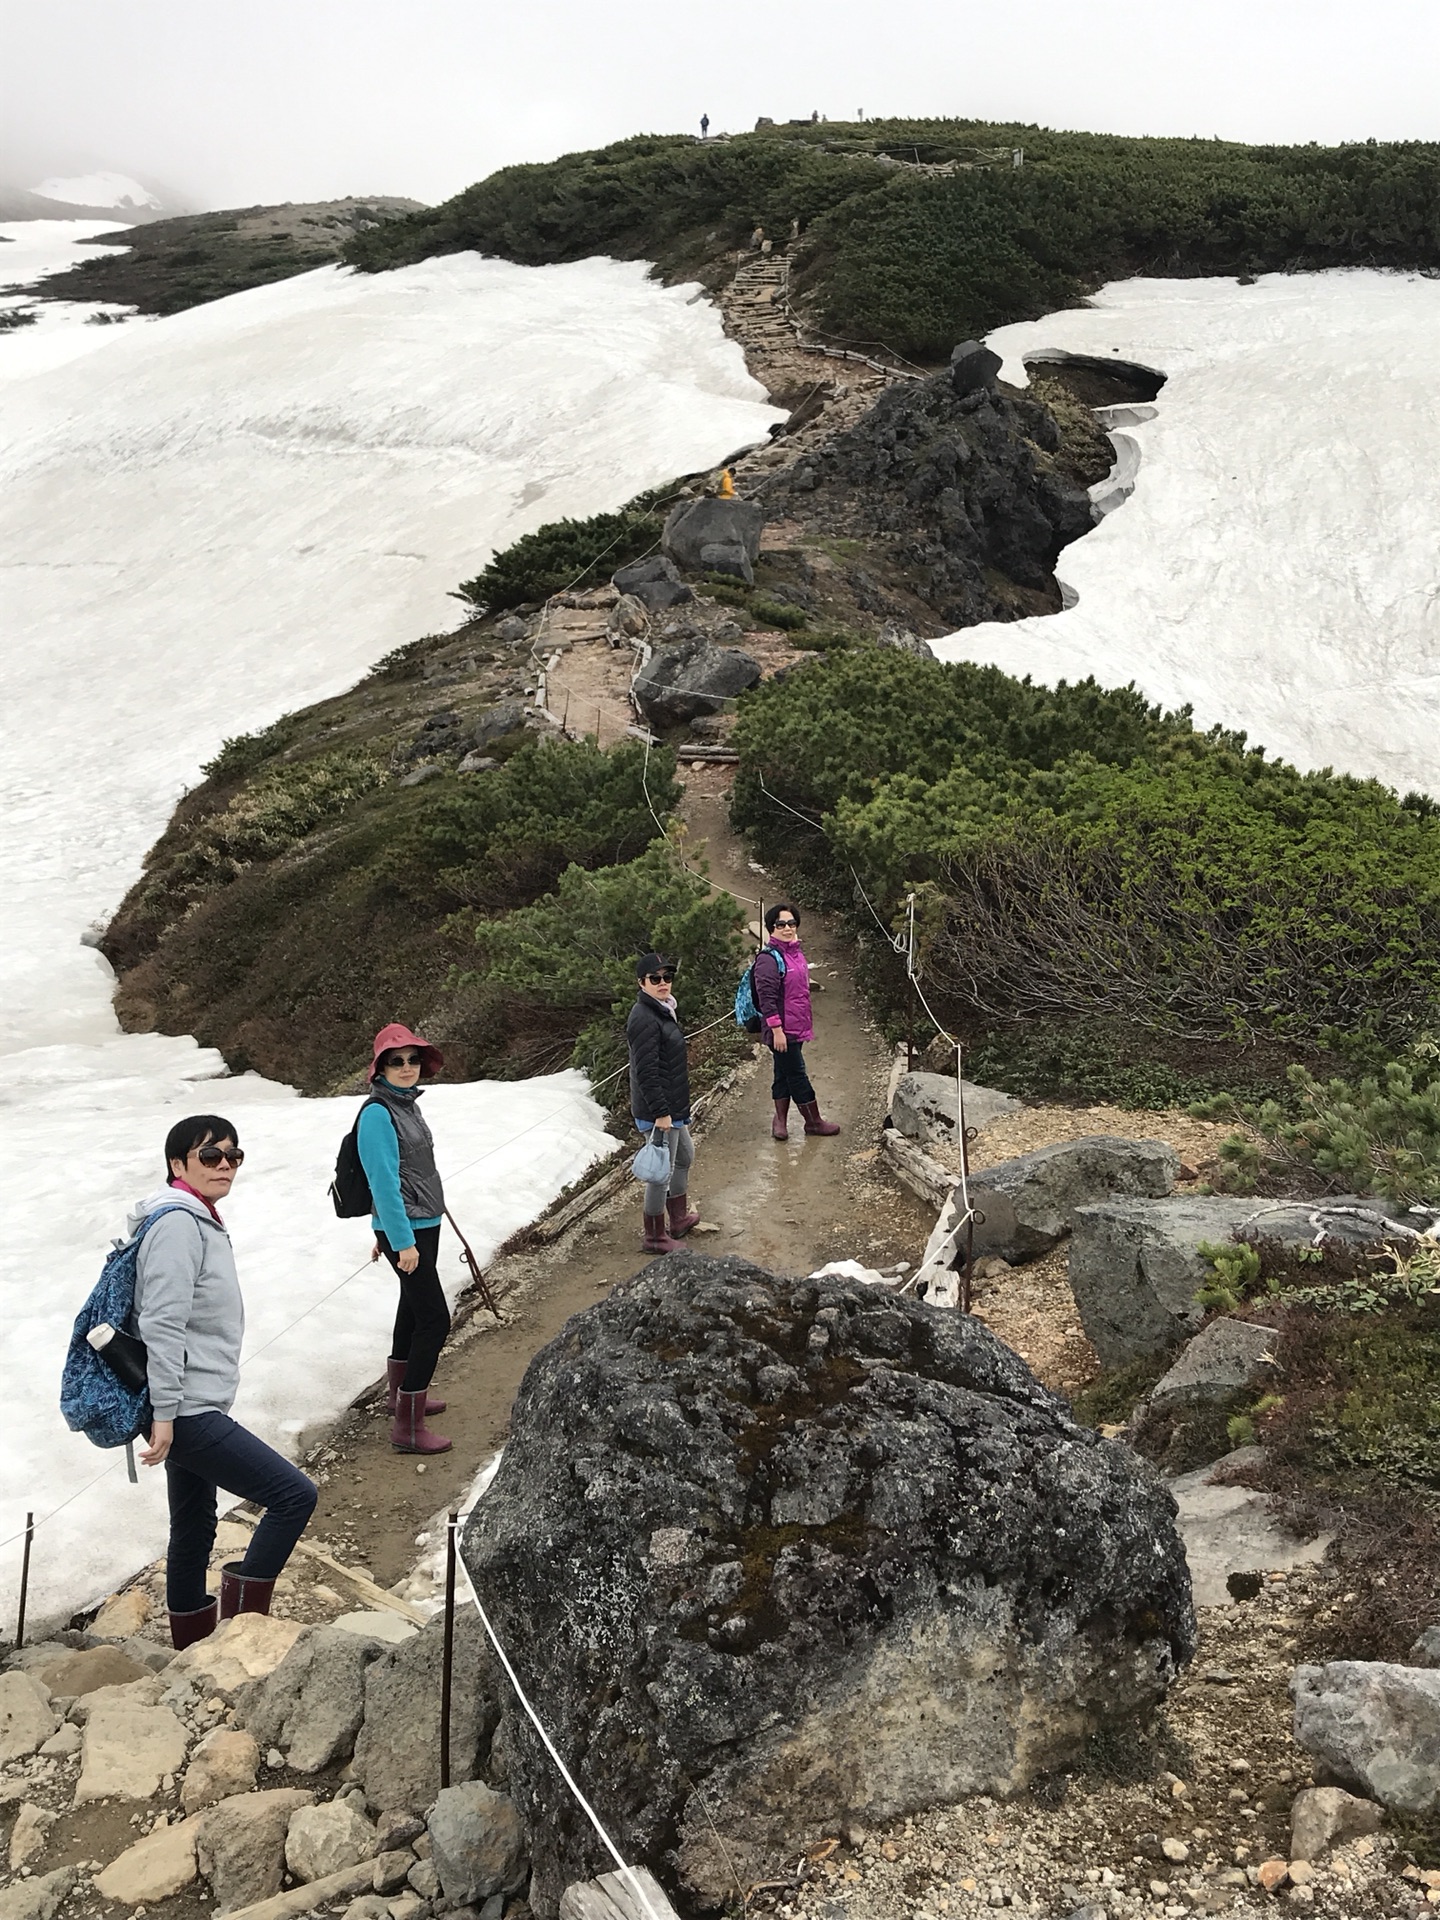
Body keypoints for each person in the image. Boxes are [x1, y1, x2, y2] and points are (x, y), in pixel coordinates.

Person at [134, 1114, 317, 1650]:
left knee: (193, 1525)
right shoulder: (178, 1224)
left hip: (189, 1402)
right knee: (293, 1496)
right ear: (178, 1165)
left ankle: (192, 1648)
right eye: (210, 1157)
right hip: (187, 1408)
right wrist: (165, 1414)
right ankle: (239, 1637)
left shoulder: (198, 1218)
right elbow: (161, 1322)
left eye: (233, 1156)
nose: (224, 1166)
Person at [357, 1023, 452, 1456]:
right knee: (435, 1319)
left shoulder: (406, 1105)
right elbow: (382, 1181)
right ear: (380, 1067)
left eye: (413, 1059)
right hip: (408, 1229)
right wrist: (398, 1239)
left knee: (412, 1309)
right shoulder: (378, 1113)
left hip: (420, 1223)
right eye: (397, 1061)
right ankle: (407, 1427)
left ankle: (402, 1398)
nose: (407, 1067)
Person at [626, 951, 700, 1254]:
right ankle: (654, 1236)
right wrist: (661, 1113)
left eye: (667, 977)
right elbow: (646, 1071)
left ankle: (678, 1218)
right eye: (655, 978)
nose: (663, 983)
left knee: (684, 1157)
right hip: (659, 1111)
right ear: (641, 982)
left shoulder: (662, 1011)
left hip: (672, 1105)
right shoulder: (644, 1017)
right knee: (660, 1173)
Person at [754, 903, 841, 1140]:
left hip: (797, 1025)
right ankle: (813, 1122)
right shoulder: (768, 959)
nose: (787, 928)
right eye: (780, 924)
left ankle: (779, 1121)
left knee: (783, 1073)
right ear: (771, 927)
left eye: (791, 923)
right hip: (782, 1029)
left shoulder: (795, 953)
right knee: (797, 1073)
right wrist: (776, 1029)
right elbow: (767, 998)